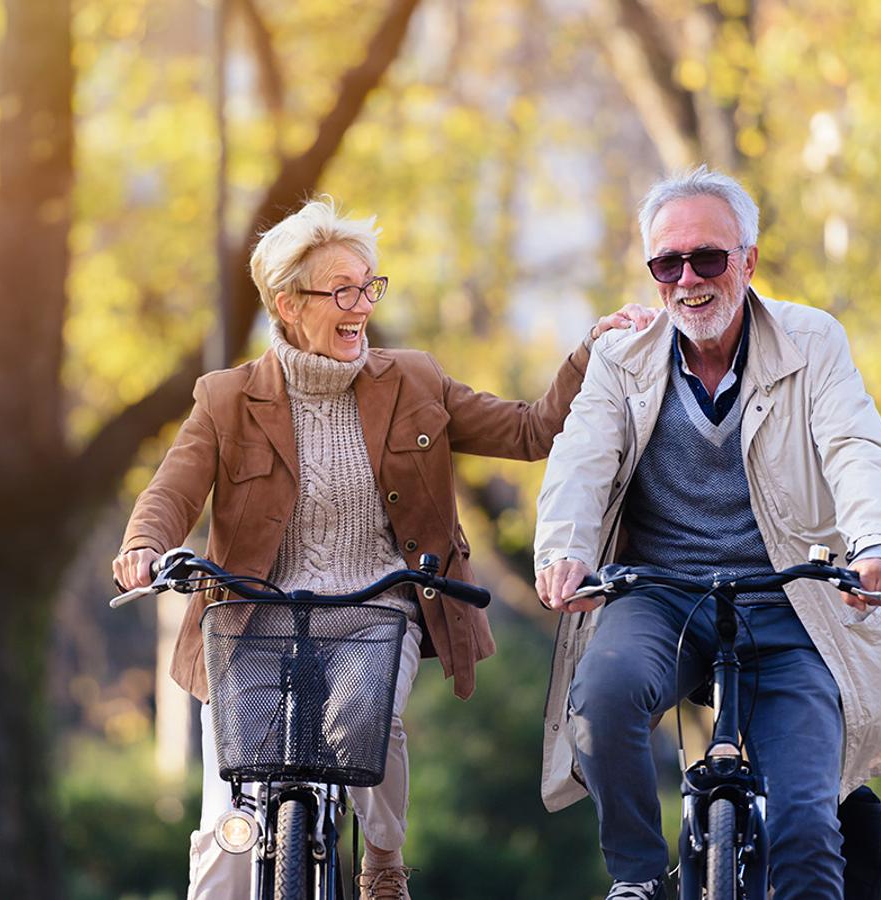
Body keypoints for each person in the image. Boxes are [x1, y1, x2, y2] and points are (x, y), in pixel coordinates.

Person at [114, 196, 654, 900]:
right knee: (229, 823)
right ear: (289, 303)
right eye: (342, 289)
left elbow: (529, 431)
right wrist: (143, 545)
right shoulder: (227, 398)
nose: (361, 304)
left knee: (364, 723)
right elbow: (171, 493)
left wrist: (589, 351)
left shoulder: (414, 380)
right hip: (250, 619)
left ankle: (382, 862)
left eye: (369, 285)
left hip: (375, 610)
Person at [532, 166, 881, 900]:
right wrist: (565, 552)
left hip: (789, 600)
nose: (688, 280)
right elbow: (580, 458)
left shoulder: (812, 341)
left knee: (805, 823)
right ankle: (640, 878)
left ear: (749, 261)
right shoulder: (621, 358)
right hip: (660, 594)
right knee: (602, 697)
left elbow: (856, 448)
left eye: (708, 258)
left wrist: (878, 547)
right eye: (667, 264)